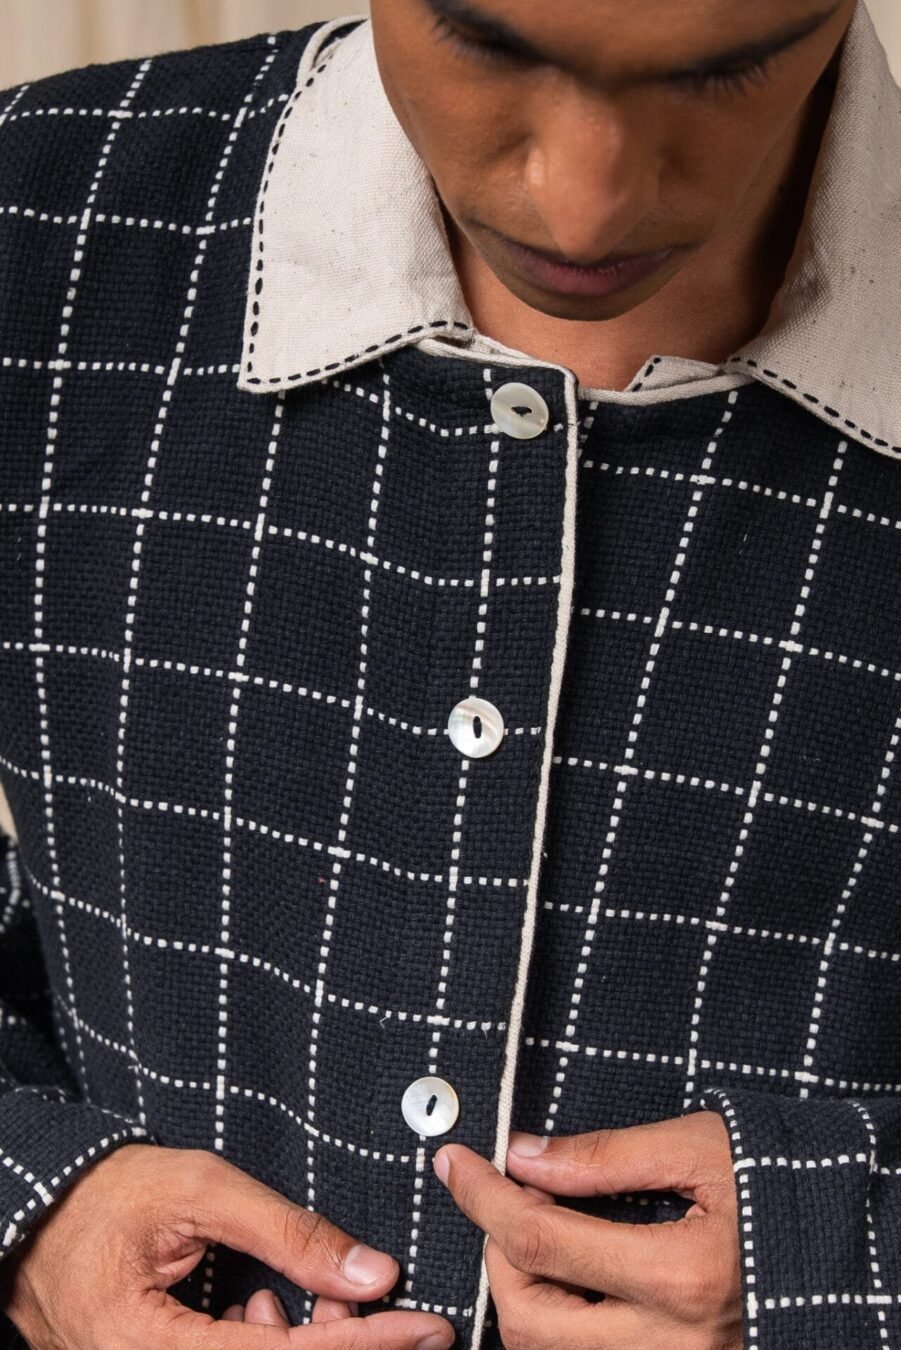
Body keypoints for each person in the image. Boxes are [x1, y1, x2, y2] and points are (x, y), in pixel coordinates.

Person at [0, 0, 898, 1345]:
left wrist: (852, 1269)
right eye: (492, 45)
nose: (584, 204)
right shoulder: (40, 223)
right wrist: (33, 1217)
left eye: (724, 70)